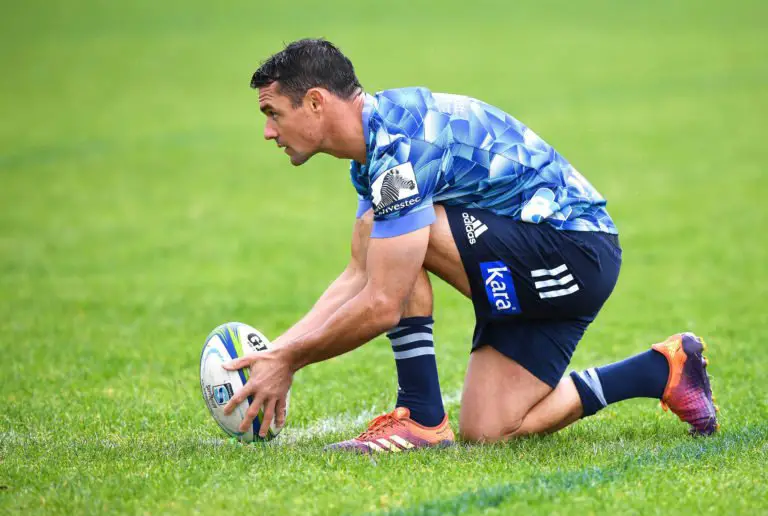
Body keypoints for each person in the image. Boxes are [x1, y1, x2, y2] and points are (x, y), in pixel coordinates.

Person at [222, 39, 718, 452]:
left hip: (574, 252)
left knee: (395, 235)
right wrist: (273, 354)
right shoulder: (375, 153)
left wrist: (289, 362)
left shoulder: (401, 147)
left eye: (273, 113)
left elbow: (382, 301)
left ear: (315, 102)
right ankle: (662, 368)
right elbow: (358, 273)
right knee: (490, 429)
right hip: (535, 257)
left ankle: (420, 418)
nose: (268, 131)